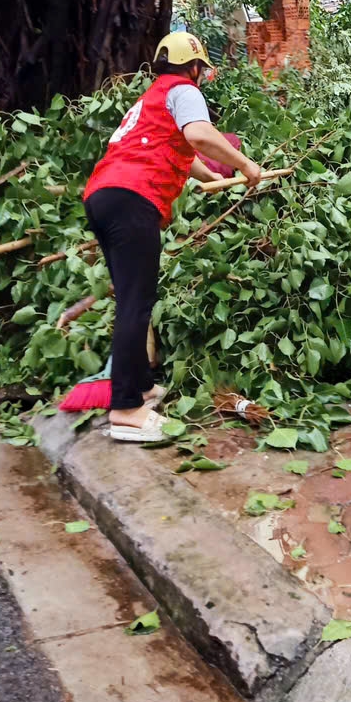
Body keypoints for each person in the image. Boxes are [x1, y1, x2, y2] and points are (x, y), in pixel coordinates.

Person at [83, 32, 263, 443]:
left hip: (104, 196)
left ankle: (142, 386)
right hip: (133, 198)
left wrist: (218, 177)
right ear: (196, 67)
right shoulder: (184, 90)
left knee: (133, 297)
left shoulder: (152, 99)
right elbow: (199, 134)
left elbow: (189, 154)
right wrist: (247, 164)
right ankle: (127, 410)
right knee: (137, 301)